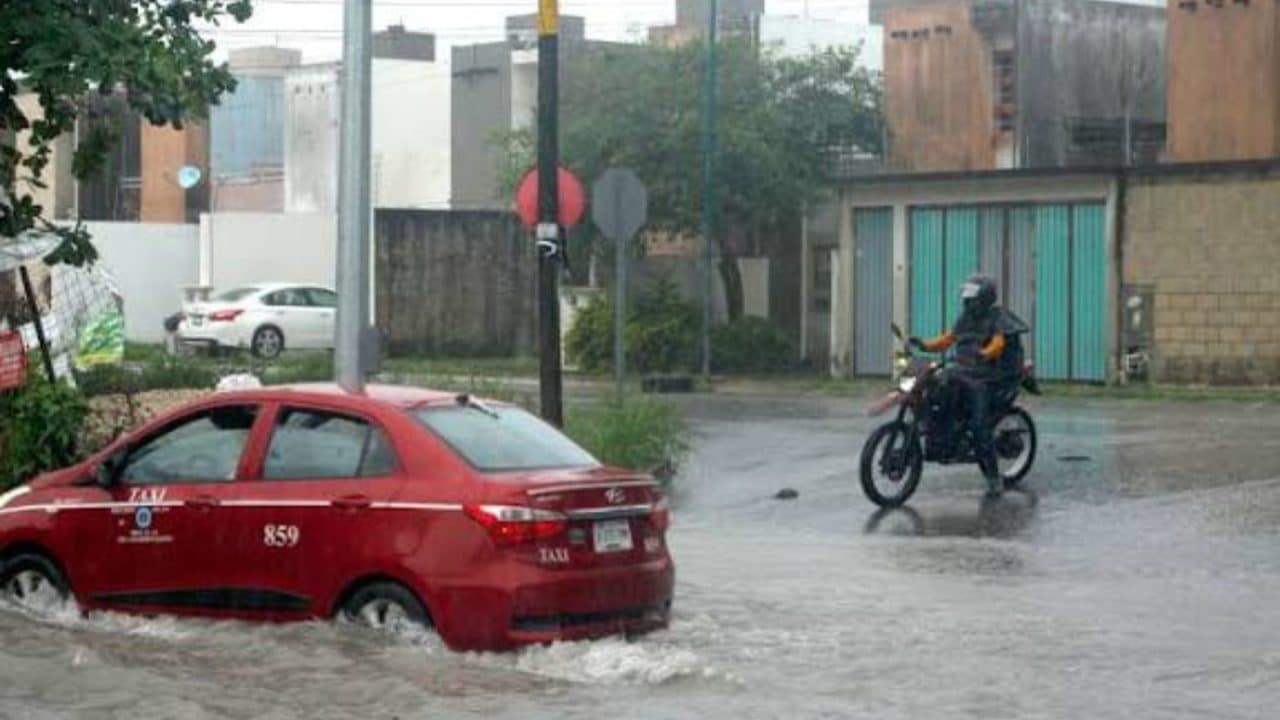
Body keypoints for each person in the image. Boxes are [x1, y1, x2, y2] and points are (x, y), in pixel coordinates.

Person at [909, 274, 1013, 497]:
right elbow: (948, 339)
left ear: (984, 299)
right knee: (935, 391)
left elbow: (998, 343)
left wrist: (985, 353)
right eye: (966, 299)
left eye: (971, 299)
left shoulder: (997, 317)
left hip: (984, 376)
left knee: (979, 425)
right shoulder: (965, 318)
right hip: (962, 371)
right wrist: (924, 345)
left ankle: (994, 477)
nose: (967, 303)